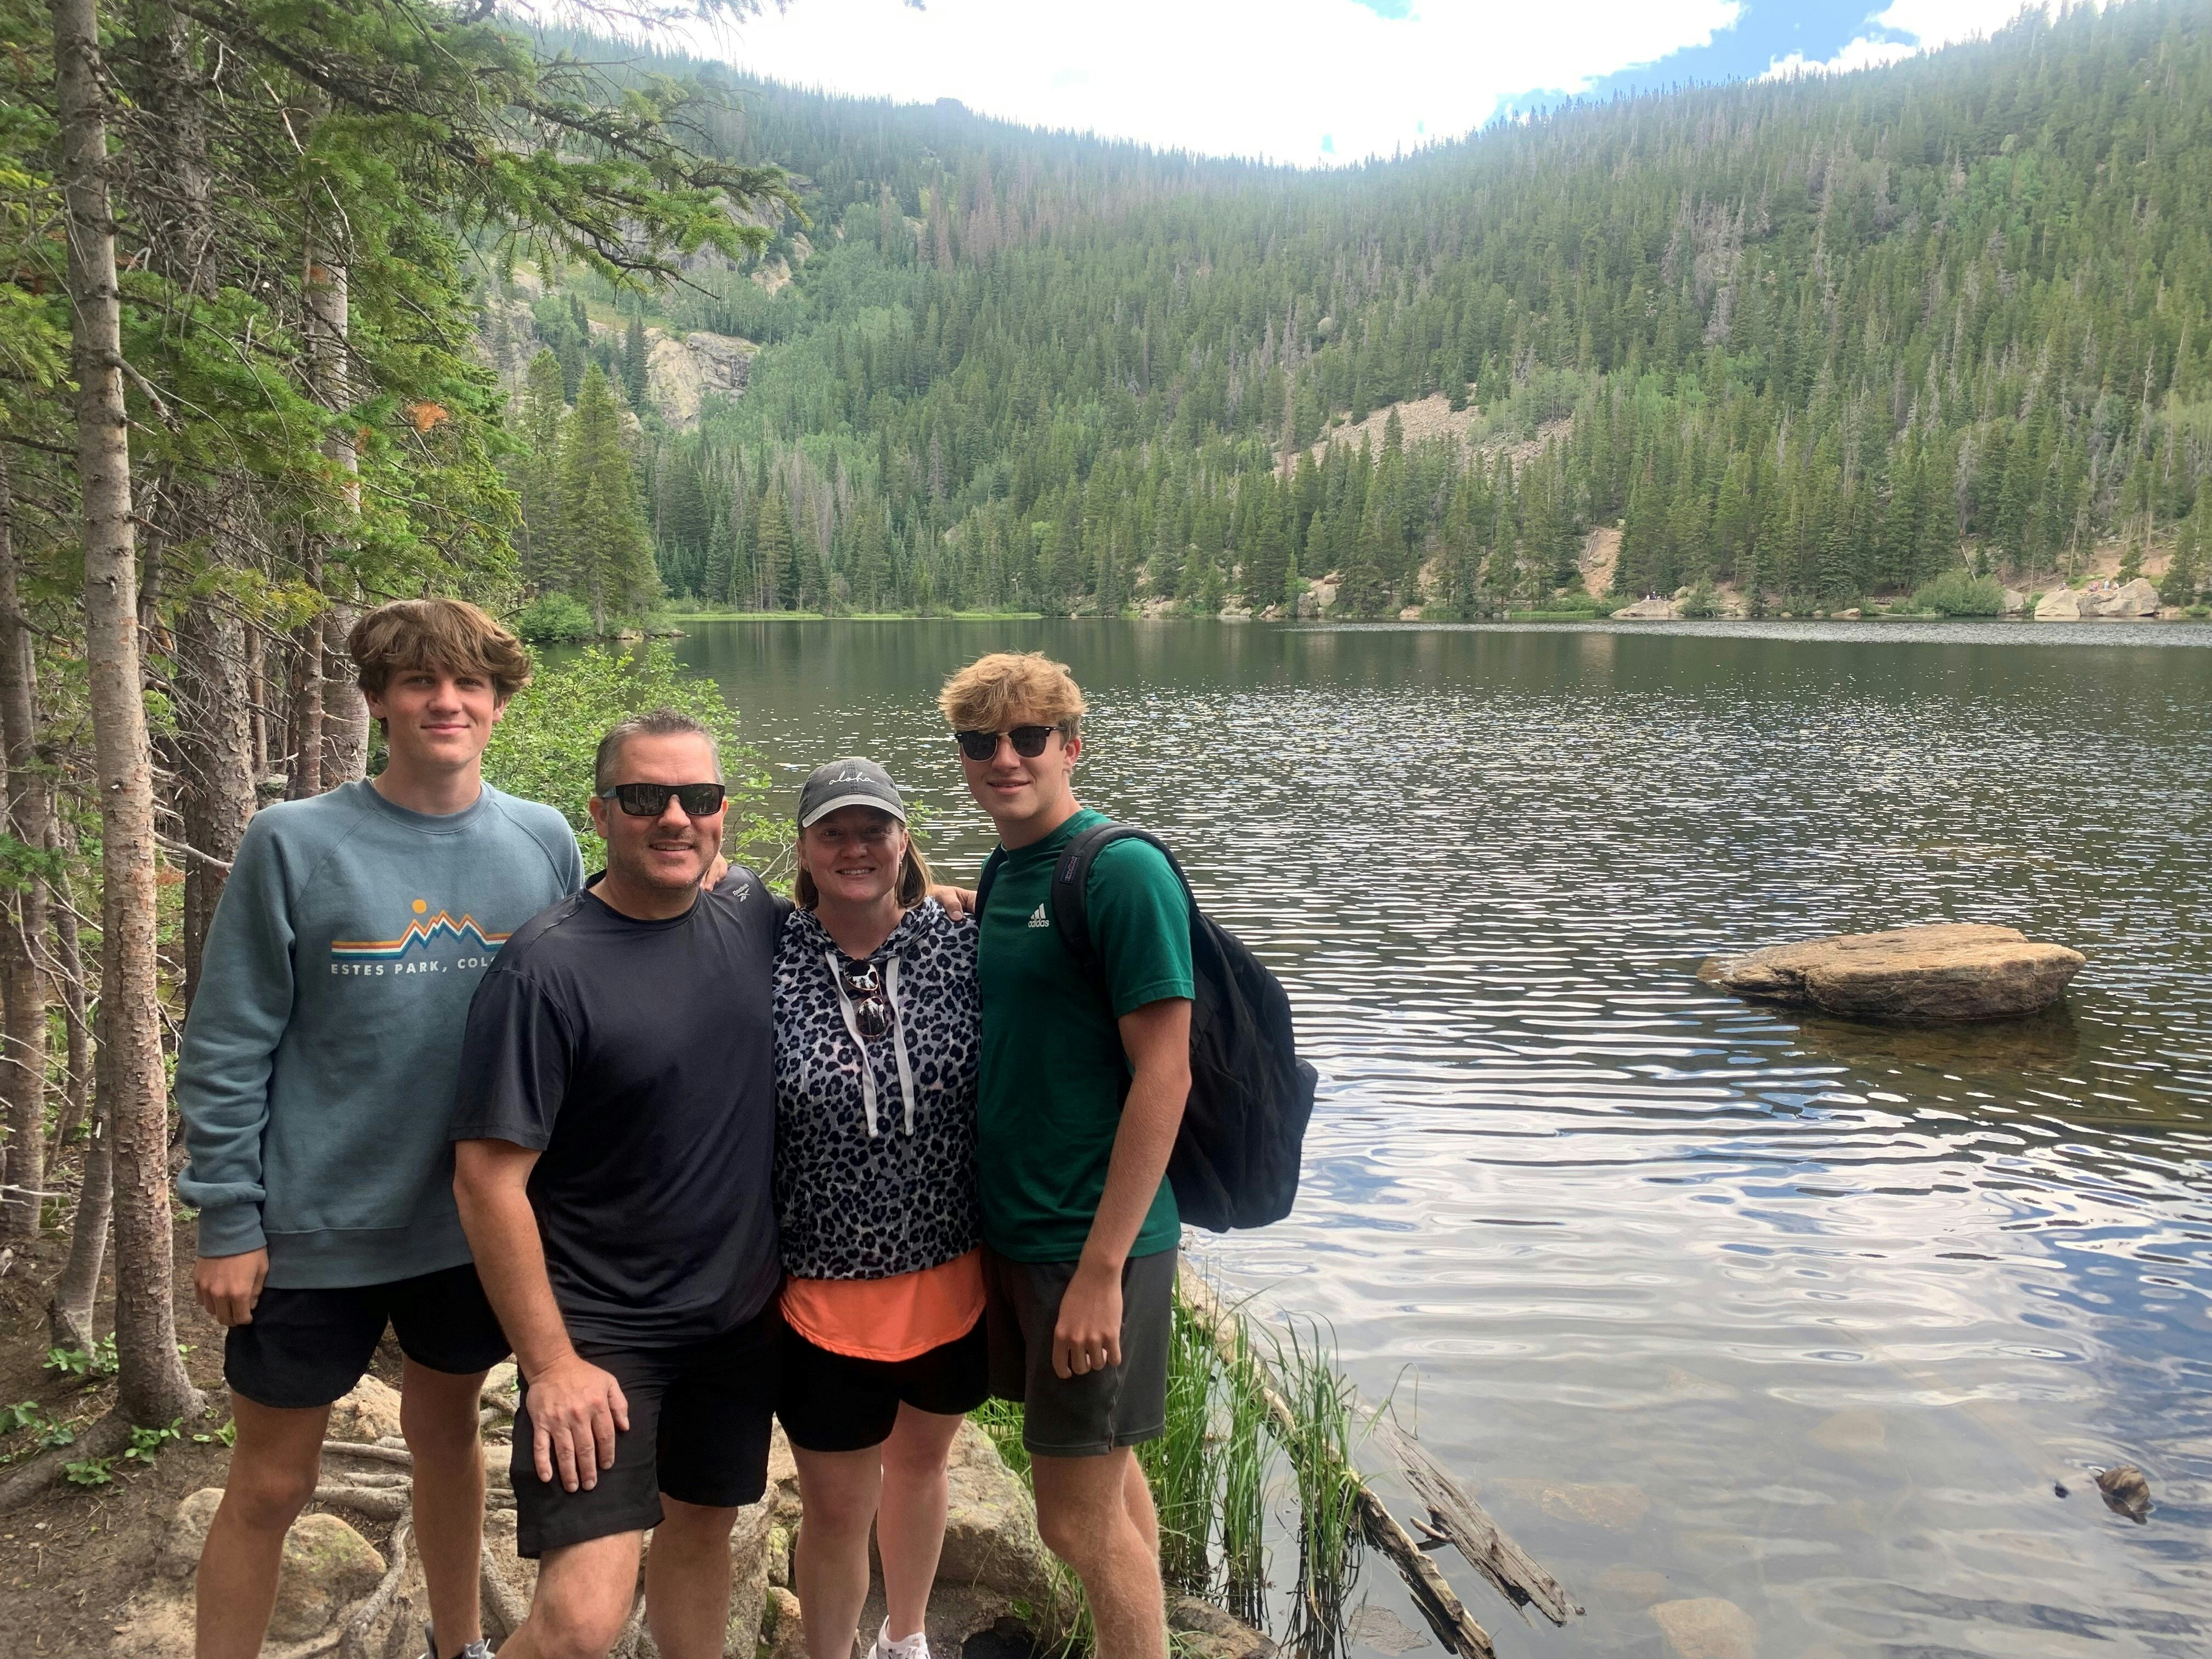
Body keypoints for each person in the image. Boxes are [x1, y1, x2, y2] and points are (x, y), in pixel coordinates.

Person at [177, 599, 583, 1659]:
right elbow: (228, 1042)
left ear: (497, 706)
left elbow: (600, 991)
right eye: (418, 683)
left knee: (448, 1441)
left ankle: (461, 1646)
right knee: (270, 1481)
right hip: (315, 1227)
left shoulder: (542, 840)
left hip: (468, 1231)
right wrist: (227, 1217)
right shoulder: (295, 842)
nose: (445, 702)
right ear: (377, 702)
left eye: (468, 685)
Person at [450, 709, 786, 1659]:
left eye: (698, 798)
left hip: (734, 1327)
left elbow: (859, 909)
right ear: (601, 814)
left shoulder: (749, 914)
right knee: (580, 1621)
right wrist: (552, 1366)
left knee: (704, 1533)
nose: (674, 818)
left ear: (724, 814)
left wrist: (949, 900)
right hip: (604, 1340)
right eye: (646, 798)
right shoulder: (545, 969)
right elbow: (486, 1182)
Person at [939, 653, 1193, 1659]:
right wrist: (954, 902)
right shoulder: (1010, 871)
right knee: (1110, 1479)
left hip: (1092, 1240)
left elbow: (1164, 1076)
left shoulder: (1119, 868)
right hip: (1027, 1230)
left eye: (1028, 737)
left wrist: (1100, 1273)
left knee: (1072, 1522)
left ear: (1070, 746)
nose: (1005, 758)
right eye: (981, 742)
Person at [772, 759, 986, 1659]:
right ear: (807, 848)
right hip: (818, 1288)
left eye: (874, 830)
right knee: (833, 1508)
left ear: (904, 840)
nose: (855, 848)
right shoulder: (762, 951)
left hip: (951, 1275)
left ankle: (906, 1639)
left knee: (922, 1466)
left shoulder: (963, 940)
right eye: (834, 832)